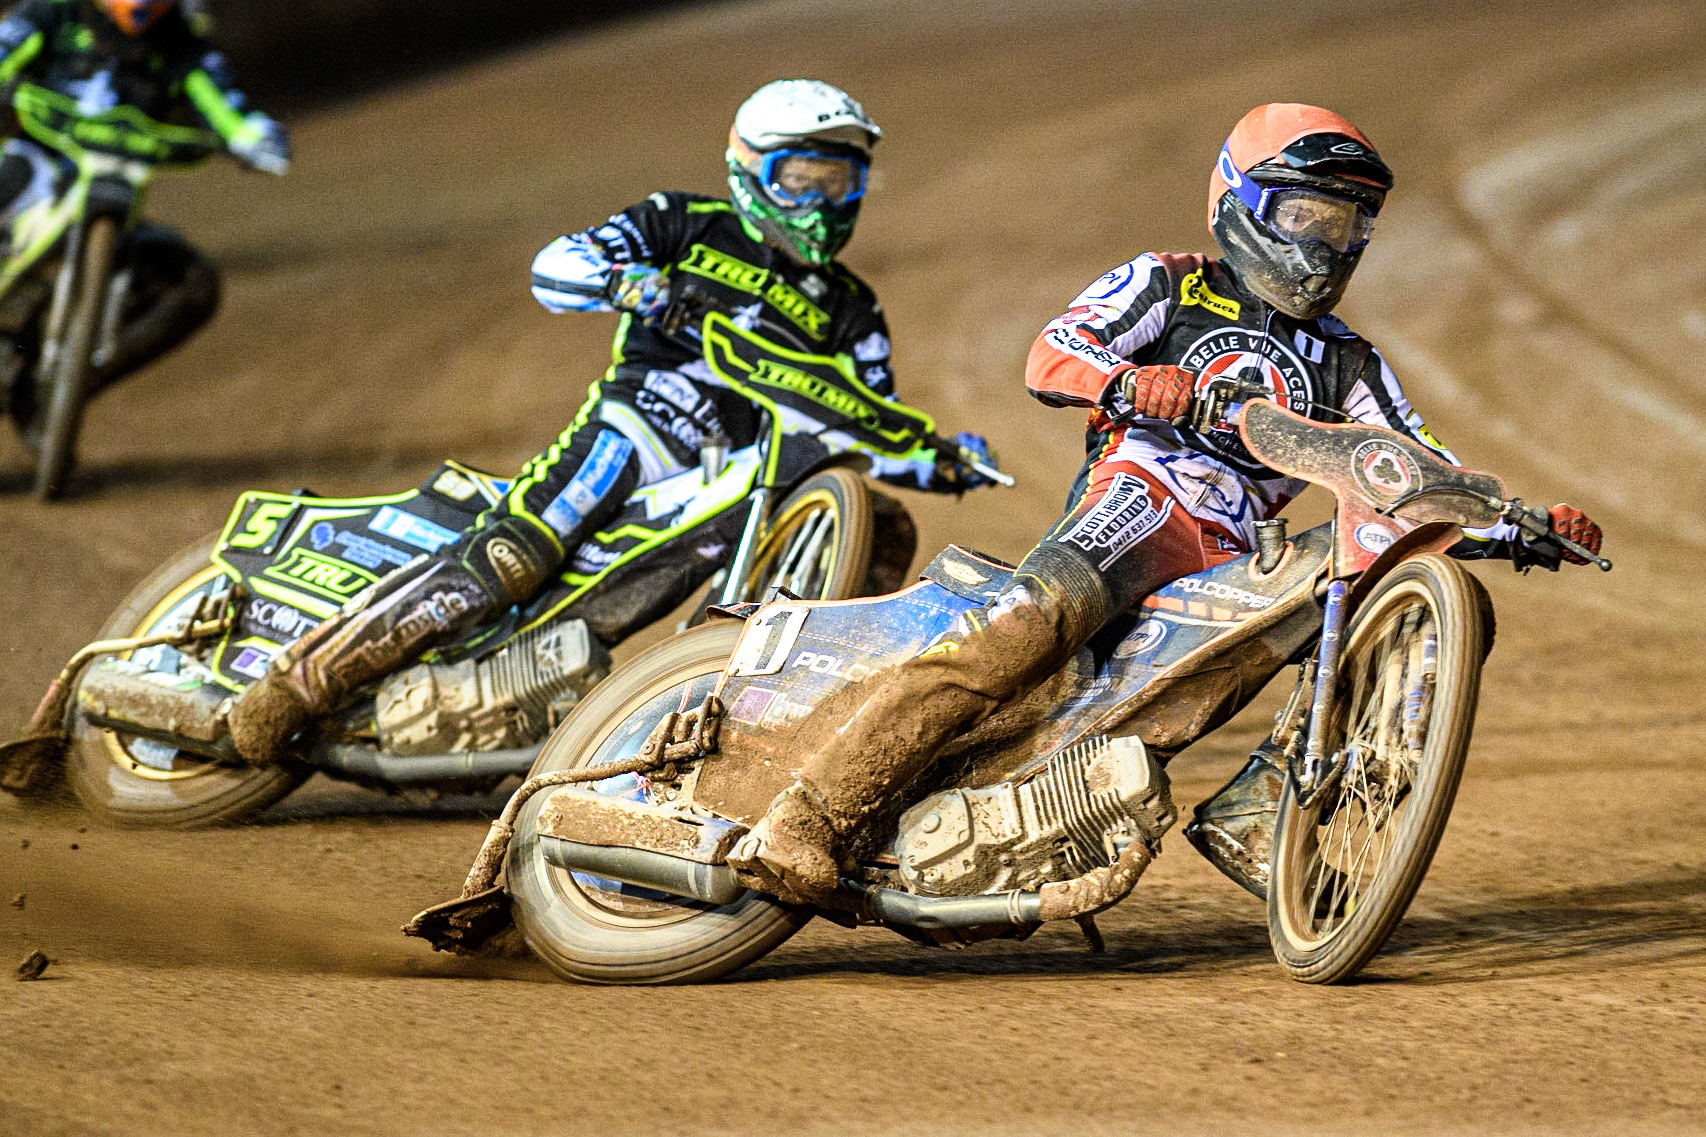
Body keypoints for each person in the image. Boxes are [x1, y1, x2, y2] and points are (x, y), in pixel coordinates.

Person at [727, 102, 1604, 905]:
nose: (1321, 245)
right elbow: (1052, 354)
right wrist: (1133, 383)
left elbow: (1411, 465)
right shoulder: (1170, 284)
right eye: (1302, 216)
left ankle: (1265, 809)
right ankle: (809, 811)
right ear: (1243, 204)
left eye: (1342, 226)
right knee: (1028, 619)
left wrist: (1516, 517)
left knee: (1421, 601)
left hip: (1242, 558)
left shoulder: (1352, 364)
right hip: (1139, 500)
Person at [227, 79, 994, 765]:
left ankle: (688, 735)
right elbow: (556, 267)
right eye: (802, 179)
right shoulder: (681, 222)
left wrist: (943, 459)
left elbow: (868, 425)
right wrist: (639, 287)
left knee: (863, 531)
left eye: (841, 180)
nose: (824, 202)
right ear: (750, 171)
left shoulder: (856, 311)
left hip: (736, 484)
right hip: (638, 430)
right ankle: (297, 684)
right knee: (513, 557)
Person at [0, 0, 289, 421]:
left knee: (190, 282)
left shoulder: (183, 43)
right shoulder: (56, 13)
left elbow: (227, 105)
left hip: (117, 191)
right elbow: (7, 44)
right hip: (39, 158)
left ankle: (53, 387)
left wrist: (255, 137)